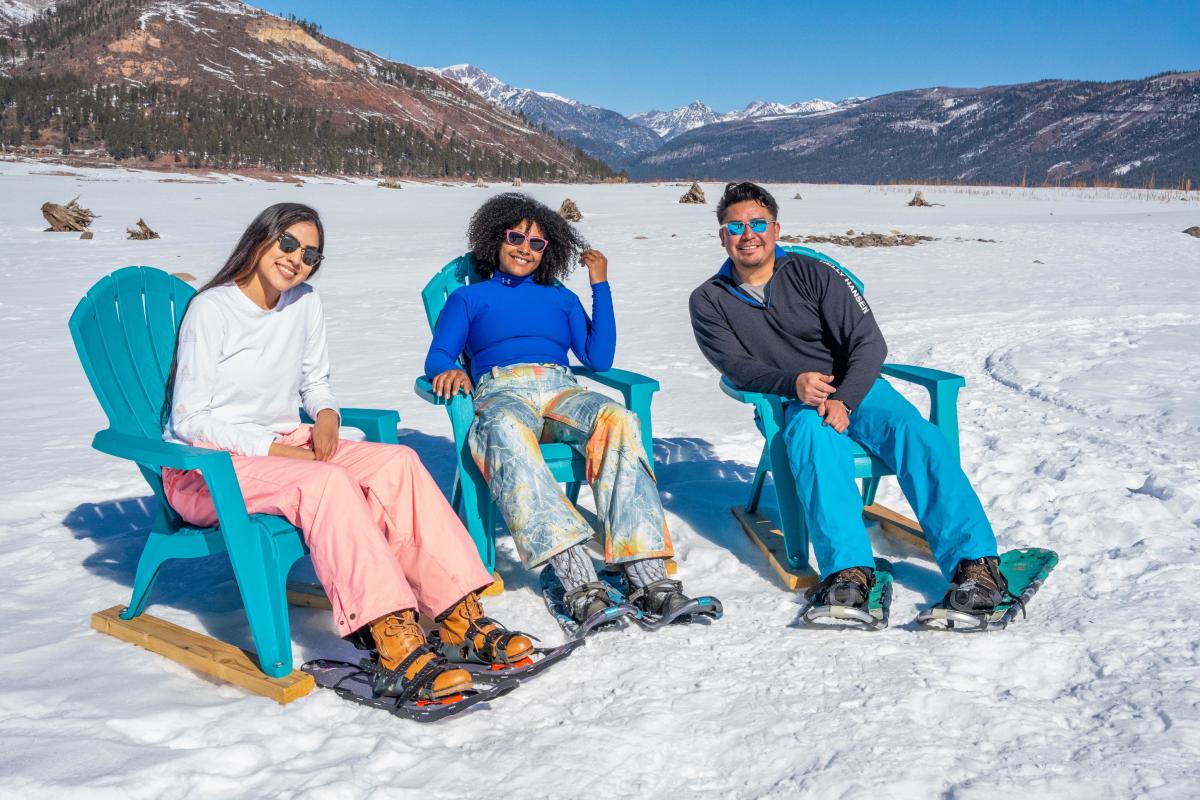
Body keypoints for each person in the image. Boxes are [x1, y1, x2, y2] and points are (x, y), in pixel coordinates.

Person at [161, 202, 532, 703]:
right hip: (206, 468)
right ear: (260, 238)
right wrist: (274, 450)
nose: (296, 259)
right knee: (328, 483)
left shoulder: (303, 302)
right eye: (287, 243)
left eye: (310, 254)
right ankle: (393, 640)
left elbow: (314, 381)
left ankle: (457, 614)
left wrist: (327, 414)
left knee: (399, 463)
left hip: (284, 445)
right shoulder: (213, 309)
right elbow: (189, 419)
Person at [688, 181, 1010, 615]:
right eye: (735, 226)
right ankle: (848, 571)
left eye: (758, 223)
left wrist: (846, 397)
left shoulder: (815, 274)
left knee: (916, 435)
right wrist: (794, 384)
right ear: (722, 235)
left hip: (860, 388)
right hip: (791, 402)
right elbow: (735, 366)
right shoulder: (709, 300)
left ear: (776, 229)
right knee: (814, 440)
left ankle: (975, 564)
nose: (748, 234)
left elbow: (869, 343)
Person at [425, 193, 709, 627]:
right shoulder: (469, 298)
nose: (525, 249)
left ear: (548, 251)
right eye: (515, 237)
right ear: (495, 239)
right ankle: (575, 577)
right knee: (501, 428)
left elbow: (598, 357)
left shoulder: (561, 299)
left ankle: (647, 576)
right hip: (503, 392)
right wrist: (448, 371)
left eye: (536, 243)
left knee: (618, 418)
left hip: (561, 391)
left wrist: (600, 285)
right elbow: (439, 355)